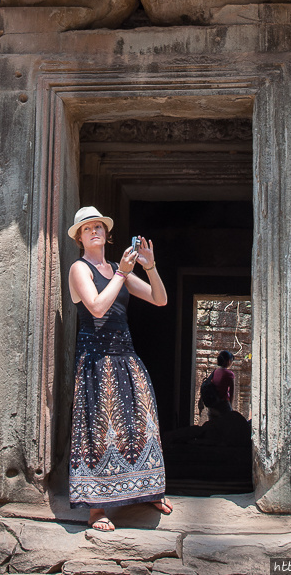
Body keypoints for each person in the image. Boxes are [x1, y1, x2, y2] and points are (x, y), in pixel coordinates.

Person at [67, 206, 173, 531]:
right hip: (96, 360)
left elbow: (160, 299)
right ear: (81, 238)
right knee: (99, 430)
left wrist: (150, 266)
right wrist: (122, 275)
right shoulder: (79, 269)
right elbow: (97, 307)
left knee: (142, 422)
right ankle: (96, 509)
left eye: (99, 227)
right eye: (88, 229)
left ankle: (148, 490)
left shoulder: (116, 267)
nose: (95, 231)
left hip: (125, 355)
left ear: (106, 234)